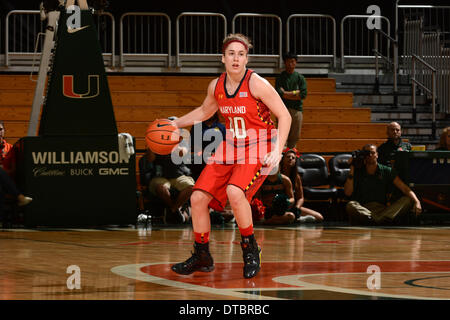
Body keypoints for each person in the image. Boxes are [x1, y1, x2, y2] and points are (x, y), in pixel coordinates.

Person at [170, 33, 291, 279]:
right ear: (223, 58)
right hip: (231, 146)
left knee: (235, 192)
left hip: (259, 144)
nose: (236, 58)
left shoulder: (256, 83)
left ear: (247, 58)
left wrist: (277, 151)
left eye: (241, 54)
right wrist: (175, 124)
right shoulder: (216, 86)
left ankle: (250, 249)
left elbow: (285, 115)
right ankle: (202, 255)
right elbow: (205, 111)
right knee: (197, 198)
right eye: (231, 54)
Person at [344, 144, 422, 225]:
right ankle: (380, 221)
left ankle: (375, 221)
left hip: (383, 210)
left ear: (377, 155)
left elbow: (405, 188)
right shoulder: (357, 170)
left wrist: (417, 201)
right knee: (351, 205)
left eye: (373, 153)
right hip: (364, 210)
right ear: (363, 155)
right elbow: (348, 193)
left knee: (408, 200)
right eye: (367, 153)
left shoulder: (386, 170)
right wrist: (352, 167)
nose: (370, 155)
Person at [144, 146, 194, 224]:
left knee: (191, 187)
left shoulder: (179, 142)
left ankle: (172, 210)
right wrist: (151, 146)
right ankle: (175, 210)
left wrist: (172, 145)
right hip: (161, 176)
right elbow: (150, 159)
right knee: (161, 188)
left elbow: (182, 153)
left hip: (178, 175)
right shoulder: (155, 143)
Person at [280, 148, 324, 223]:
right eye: (288, 157)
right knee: (288, 217)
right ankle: (296, 219)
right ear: (282, 159)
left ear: (295, 162)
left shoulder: (296, 177)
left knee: (319, 217)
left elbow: (300, 197)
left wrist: (297, 208)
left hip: (292, 206)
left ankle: (298, 218)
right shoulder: (277, 175)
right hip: (279, 207)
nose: (290, 159)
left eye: (293, 158)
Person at [275, 52, 307, 149]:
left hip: (297, 110)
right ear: (284, 63)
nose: (290, 64)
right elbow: (279, 94)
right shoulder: (280, 78)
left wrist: (287, 94)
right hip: (282, 111)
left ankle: (292, 160)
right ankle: (281, 161)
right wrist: (294, 93)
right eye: (288, 62)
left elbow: (303, 94)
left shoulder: (300, 78)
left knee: (294, 137)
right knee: (282, 137)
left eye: (292, 62)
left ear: (296, 63)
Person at [189, 112, 226, 180]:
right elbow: (193, 144)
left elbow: (226, 144)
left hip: (217, 155)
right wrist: (205, 153)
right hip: (201, 155)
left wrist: (215, 154)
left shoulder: (221, 127)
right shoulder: (197, 126)